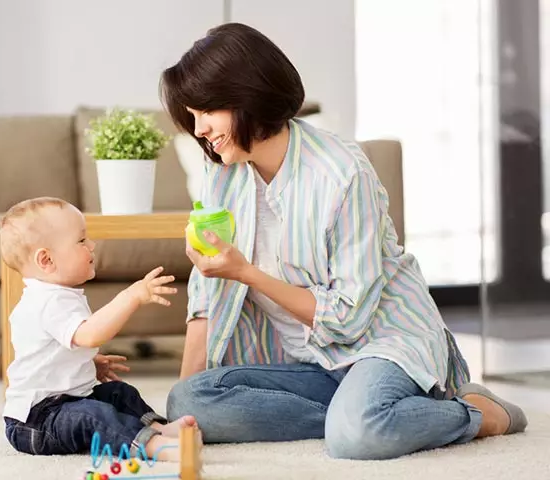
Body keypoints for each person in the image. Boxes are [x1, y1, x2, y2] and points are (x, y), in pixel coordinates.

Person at [159, 22, 527, 460]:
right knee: (188, 401)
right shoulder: (222, 172)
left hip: (381, 344)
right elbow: (207, 296)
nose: (199, 129)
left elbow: (349, 318)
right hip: (308, 363)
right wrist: (174, 424)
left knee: (357, 436)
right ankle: (369, 411)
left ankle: (478, 414)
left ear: (246, 96)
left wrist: (247, 274)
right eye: (193, 116)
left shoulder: (342, 172)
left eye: (206, 112)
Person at [0, 197, 198, 460]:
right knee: (92, 416)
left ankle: (157, 427)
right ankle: (151, 447)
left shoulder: (57, 295)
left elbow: (55, 351)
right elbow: (91, 334)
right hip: (36, 421)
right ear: (46, 260)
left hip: (66, 401)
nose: (91, 245)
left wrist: (88, 363)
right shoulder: (48, 301)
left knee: (117, 393)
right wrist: (130, 297)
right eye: (81, 241)